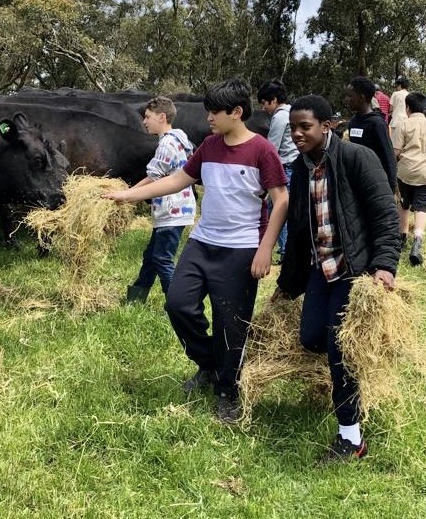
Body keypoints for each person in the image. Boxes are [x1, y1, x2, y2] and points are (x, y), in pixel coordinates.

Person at [103, 78, 289, 423]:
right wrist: (128, 195)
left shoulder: (262, 150)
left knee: (230, 324)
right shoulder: (209, 145)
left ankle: (228, 392)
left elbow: (281, 200)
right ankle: (210, 364)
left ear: (236, 112)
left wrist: (265, 249)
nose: (208, 118)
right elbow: (178, 179)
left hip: (240, 249)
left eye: (215, 112)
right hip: (202, 242)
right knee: (178, 305)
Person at [275, 95, 400, 462]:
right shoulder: (301, 168)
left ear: (327, 125)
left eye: (305, 127)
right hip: (321, 270)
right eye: (294, 127)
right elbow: (299, 230)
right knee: (311, 337)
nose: (296, 133)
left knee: (339, 347)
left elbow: (385, 215)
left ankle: (352, 438)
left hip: (354, 270)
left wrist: (385, 265)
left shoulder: (356, 158)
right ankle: (347, 386)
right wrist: (287, 284)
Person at [124, 96, 196, 304]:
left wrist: (127, 195)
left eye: (147, 117)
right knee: (152, 256)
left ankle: (178, 304)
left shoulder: (166, 144)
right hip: (174, 210)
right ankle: (136, 298)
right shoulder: (179, 139)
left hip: (172, 211)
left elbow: (153, 177)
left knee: (162, 259)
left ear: (162, 117)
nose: (144, 121)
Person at [392, 92, 426, 265]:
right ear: (423, 107)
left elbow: (395, 152)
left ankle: (402, 238)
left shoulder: (403, 124)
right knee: (422, 208)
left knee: (404, 204)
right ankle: (417, 242)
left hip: (406, 173)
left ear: (407, 108)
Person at [257, 78, 299, 264]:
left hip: (285, 168)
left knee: (278, 210)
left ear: (273, 100)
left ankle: (285, 251)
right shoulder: (292, 112)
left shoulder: (280, 117)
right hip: (292, 166)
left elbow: (271, 147)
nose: (264, 108)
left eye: (265, 103)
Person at [345, 76, 397, 191]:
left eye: (350, 96)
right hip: (357, 181)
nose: (346, 99)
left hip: (375, 182)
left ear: (361, 98)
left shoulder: (377, 123)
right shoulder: (353, 121)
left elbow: (388, 155)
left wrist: (391, 185)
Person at [389, 76, 410, 142]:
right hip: (407, 122)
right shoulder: (410, 95)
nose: (396, 88)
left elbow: (390, 109)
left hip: (396, 121)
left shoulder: (395, 94)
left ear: (400, 85)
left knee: (393, 142)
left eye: (397, 86)